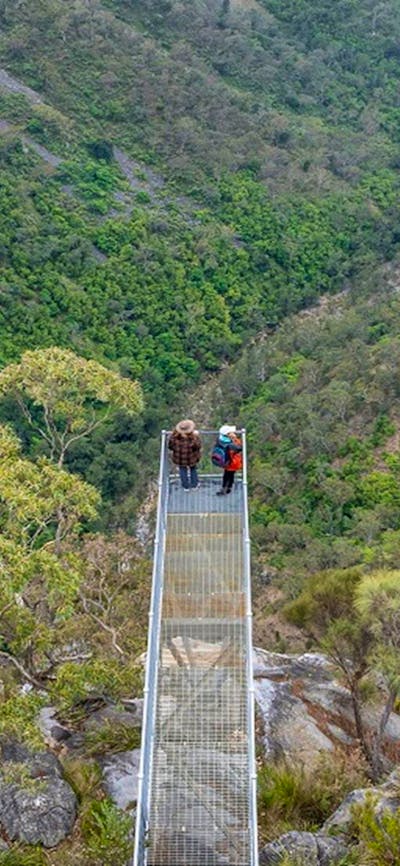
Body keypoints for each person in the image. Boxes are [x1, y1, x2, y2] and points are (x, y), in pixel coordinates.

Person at [168, 419, 202, 491]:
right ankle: (194, 485)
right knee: (193, 470)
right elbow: (198, 446)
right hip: (191, 458)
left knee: (182, 470)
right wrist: (197, 437)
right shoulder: (193, 439)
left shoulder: (174, 437)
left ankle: (185, 487)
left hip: (179, 459)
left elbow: (170, 447)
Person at [216, 425, 243, 495]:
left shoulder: (221, 440)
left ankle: (225, 488)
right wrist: (235, 439)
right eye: (232, 432)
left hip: (227, 461)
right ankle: (227, 488)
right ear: (228, 434)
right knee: (230, 475)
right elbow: (239, 448)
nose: (234, 432)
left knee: (227, 475)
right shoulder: (231, 443)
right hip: (232, 462)